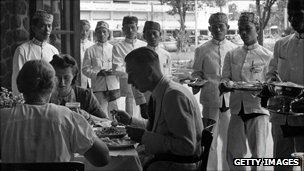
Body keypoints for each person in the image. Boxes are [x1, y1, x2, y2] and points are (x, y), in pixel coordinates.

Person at [1, 60, 110, 165]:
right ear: (53, 86)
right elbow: (103, 159)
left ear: (20, 86)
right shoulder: (66, 117)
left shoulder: (3, 118)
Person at [114, 47, 203, 171]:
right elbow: (159, 129)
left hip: (173, 165)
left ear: (149, 71)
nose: (129, 81)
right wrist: (130, 121)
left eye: (132, 74)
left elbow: (186, 147)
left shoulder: (174, 96)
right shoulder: (161, 92)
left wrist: (144, 137)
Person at [221, 12, 273, 171]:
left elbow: (271, 84)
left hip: (258, 109)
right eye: (241, 29)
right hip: (237, 109)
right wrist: (225, 84)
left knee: (258, 156)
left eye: (248, 29)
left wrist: (265, 87)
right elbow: (224, 78)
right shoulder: (232, 54)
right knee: (233, 154)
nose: (243, 33)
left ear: (257, 29)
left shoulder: (267, 56)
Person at [191, 12, 237, 171]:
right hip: (210, 99)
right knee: (210, 140)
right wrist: (196, 83)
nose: (217, 29)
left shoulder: (234, 49)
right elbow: (196, 73)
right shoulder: (202, 49)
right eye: (214, 26)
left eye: (221, 26)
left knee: (230, 140)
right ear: (209, 28)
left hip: (231, 100)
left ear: (227, 28)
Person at [266, 0, 304, 170]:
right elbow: (271, 73)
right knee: (281, 163)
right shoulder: (281, 44)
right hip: (281, 115)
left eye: (299, 13)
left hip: (303, 115)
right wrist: (270, 84)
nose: (294, 18)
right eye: (291, 14)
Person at [12, 10, 59, 96]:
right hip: (29, 100)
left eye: (49, 26)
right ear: (34, 28)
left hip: (50, 100)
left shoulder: (54, 51)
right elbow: (17, 80)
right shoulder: (22, 50)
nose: (47, 30)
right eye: (42, 26)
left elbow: (56, 79)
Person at [49, 54, 108, 119]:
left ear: (74, 76)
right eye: (57, 77)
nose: (62, 82)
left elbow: (106, 122)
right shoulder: (44, 94)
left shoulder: (85, 95)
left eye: (66, 78)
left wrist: (87, 116)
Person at [82, 21, 119, 117]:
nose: (102, 34)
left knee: (115, 113)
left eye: (104, 32)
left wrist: (114, 71)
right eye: (99, 32)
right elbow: (85, 69)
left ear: (108, 34)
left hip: (113, 85)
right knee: (101, 113)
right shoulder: (90, 50)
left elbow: (120, 66)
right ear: (95, 34)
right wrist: (98, 73)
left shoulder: (114, 49)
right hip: (98, 86)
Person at [112, 16, 146, 117]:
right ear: (123, 30)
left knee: (147, 116)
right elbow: (117, 68)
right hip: (129, 87)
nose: (130, 30)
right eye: (127, 28)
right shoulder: (118, 47)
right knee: (130, 117)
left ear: (137, 28)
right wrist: (138, 73)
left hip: (146, 86)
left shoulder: (144, 46)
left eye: (133, 27)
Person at [139, 21, 172, 119]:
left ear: (160, 35)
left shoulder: (166, 55)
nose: (152, 36)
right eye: (149, 34)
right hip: (148, 97)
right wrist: (142, 103)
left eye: (155, 33)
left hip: (165, 96)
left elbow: (169, 76)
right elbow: (135, 81)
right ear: (144, 36)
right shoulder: (140, 55)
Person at [80, 20, 94, 89]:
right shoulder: (73, 45)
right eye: (82, 30)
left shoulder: (92, 45)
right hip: (78, 79)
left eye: (87, 30)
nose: (84, 33)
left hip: (91, 80)